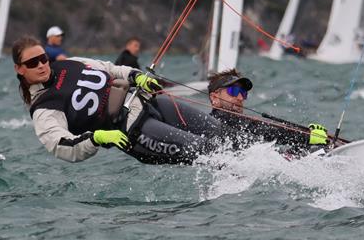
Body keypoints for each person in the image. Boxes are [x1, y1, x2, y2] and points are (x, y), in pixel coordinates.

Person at [12, 35, 222, 164]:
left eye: (43, 58)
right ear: (19, 69)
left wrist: (135, 76)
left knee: (221, 133)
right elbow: (62, 145)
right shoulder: (44, 108)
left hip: (150, 103)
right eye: (32, 63)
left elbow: (110, 69)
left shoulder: (70, 63)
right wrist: (97, 138)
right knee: (208, 151)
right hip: (135, 132)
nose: (41, 65)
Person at [206, 68, 328, 155]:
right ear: (214, 97)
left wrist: (306, 135)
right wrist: (307, 136)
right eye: (234, 91)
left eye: (243, 93)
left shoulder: (240, 125)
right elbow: (266, 129)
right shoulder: (217, 122)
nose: (240, 98)